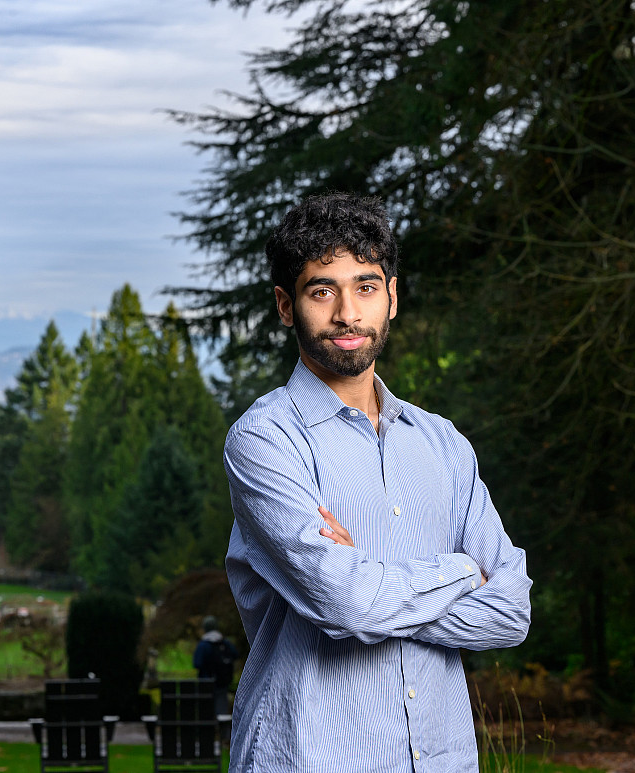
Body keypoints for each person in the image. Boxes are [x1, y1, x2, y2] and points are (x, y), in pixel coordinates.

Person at [223, 192, 532, 772]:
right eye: (322, 291)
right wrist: (466, 571)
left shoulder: (443, 445)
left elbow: (512, 613)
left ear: (391, 297)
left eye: (365, 287)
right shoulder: (264, 441)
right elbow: (347, 606)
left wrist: (372, 590)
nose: (346, 313)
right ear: (286, 306)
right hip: (313, 754)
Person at [192, 615, 237, 717]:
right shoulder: (224, 642)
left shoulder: (203, 645)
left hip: (206, 682)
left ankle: (209, 730)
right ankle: (222, 731)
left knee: (206, 710)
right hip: (222, 682)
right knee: (222, 710)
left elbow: (197, 663)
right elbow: (235, 654)